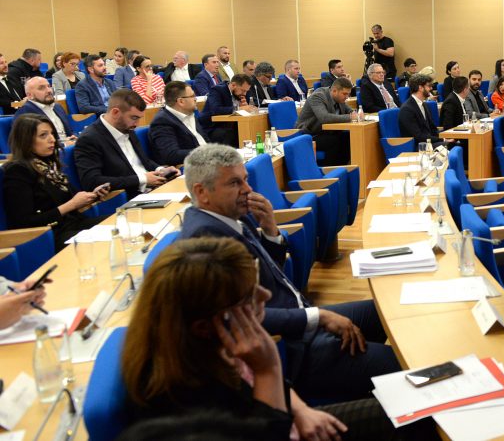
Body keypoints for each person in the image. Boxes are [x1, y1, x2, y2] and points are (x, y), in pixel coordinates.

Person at [121, 237, 415, 441]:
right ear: (203, 326)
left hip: (284, 417)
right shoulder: (184, 399)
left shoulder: (216, 343)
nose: (264, 297)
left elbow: (272, 393)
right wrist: (269, 369)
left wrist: (300, 409)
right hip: (275, 429)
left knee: (413, 411)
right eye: (249, 297)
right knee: (413, 417)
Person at [179, 145, 402, 403]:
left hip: (298, 316)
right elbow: (241, 319)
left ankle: (365, 390)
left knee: (386, 310)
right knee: (401, 364)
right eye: (234, 183)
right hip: (292, 349)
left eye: (245, 179)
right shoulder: (204, 239)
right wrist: (318, 317)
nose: (248, 189)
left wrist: (270, 230)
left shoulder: (231, 215)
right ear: (202, 192)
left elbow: (269, 277)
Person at [2, 114, 107, 247]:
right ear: (26, 140)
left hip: (73, 224)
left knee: (117, 225)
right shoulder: (17, 171)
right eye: (43, 135)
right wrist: (72, 204)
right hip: (50, 237)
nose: (52, 139)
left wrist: (93, 196)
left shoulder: (48, 164)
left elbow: (72, 198)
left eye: (52, 133)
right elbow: (24, 222)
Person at [74, 89, 172, 200]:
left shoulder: (127, 127)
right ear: (115, 113)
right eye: (134, 118)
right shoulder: (89, 139)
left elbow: (143, 162)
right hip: (128, 198)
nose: (137, 124)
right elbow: (92, 182)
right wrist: (142, 179)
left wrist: (161, 170)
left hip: (152, 190)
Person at [295, 78, 356, 166]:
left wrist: (355, 113)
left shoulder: (339, 98)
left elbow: (350, 111)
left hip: (325, 132)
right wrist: (350, 117)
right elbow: (324, 117)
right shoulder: (318, 96)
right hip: (309, 134)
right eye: (345, 94)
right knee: (333, 141)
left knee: (348, 136)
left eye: (348, 94)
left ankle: (343, 167)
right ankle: (330, 169)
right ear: (334, 91)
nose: (347, 97)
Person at [148, 81, 208, 166]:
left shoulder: (189, 113)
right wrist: (205, 153)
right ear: (181, 101)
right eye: (192, 96)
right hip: (191, 166)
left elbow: (205, 140)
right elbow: (171, 155)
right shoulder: (162, 122)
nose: (196, 99)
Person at [200, 75, 257, 146]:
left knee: (250, 128)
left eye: (246, 91)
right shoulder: (217, 90)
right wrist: (239, 109)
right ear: (233, 85)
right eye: (243, 90)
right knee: (232, 133)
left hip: (232, 125)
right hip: (212, 127)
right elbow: (216, 110)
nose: (245, 93)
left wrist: (246, 107)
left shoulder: (242, 92)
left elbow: (248, 106)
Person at [14, 77, 75, 142]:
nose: (49, 90)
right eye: (41, 88)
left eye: (49, 86)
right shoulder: (25, 113)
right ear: (30, 95)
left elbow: (69, 132)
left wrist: (73, 139)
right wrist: (63, 144)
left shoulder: (57, 107)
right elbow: (27, 142)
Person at [398, 73, 444, 147]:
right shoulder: (407, 109)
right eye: (429, 86)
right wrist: (442, 140)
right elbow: (418, 136)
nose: (431, 88)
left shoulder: (424, 105)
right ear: (420, 88)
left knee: (457, 142)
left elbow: (433, 129)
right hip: (419, 146)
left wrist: (444, 137)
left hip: (428, 142)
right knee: (453, 145)